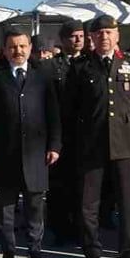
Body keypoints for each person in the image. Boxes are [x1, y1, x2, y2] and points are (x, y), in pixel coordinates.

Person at [64, 15, 130, 258]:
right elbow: (69, 108)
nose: (104, 37)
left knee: (128, 202)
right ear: (92, 37)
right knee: (88, 202)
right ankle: (91, 250)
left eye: (109, 32)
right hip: (91, 145)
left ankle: (129, 251)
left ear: (117, 36)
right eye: (99, 33)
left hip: (125, 144)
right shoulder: (81, 67)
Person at [0, 31, 61, 258]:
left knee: (35, 208)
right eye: (12, 47)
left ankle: (35, 252)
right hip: (4, 154)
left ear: (30, 47)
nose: (18, 51)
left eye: (22, 46)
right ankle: (8, 252)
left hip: (36, 153)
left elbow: (53, 113)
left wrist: (55, 145)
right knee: (5, 209)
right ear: (4, 50)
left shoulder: (43, 76)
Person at [46, 19, 85, 245]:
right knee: (59, 186)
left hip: (83, 135)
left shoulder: (91, 64)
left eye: (81, 35)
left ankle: (82, 229)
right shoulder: (51, 66)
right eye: (73, 36)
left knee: (82, 187)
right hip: (59, 133)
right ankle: (60, 229)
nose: (77, 40)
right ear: (63, 40)